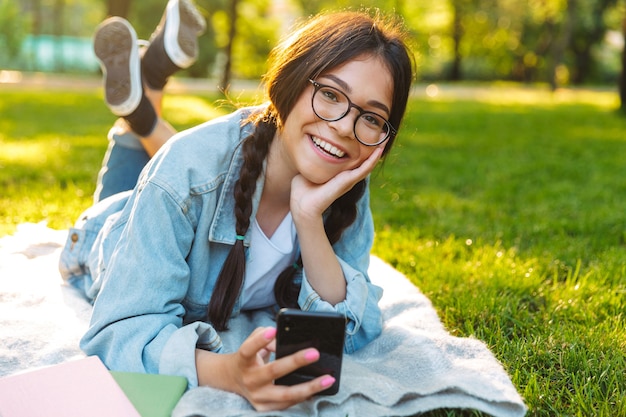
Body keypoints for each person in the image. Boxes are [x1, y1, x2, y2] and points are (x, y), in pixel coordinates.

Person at [59, 0, 414, 411]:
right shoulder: (184, 173)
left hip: (181, 181)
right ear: (292, 82)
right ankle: (139, 111)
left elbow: (350, 331)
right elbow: (117, 334)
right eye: (331, 94)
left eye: (372, 118)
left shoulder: (344, 180)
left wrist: (308, 218)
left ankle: (146, 96)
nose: (344, 128)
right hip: (106, 235)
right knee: (170, 173)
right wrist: (227, 373)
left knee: (181, 164)